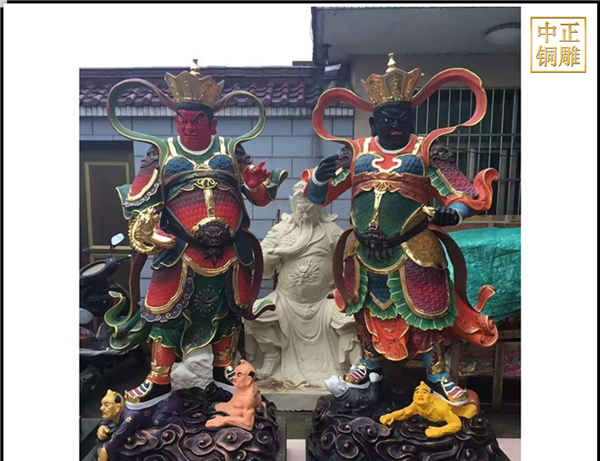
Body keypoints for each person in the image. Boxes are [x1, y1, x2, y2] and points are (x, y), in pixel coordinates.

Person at [303, 54, 499, 407]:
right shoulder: (356, 152)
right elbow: (319, 196)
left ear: (413, 119)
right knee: (366, 307)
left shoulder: (427, 150)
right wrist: (318, 176)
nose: (395, 124)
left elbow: (462, 193)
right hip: (363, 250)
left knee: (425, 311)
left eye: (403, 118)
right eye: (387, 118)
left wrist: (453, 214)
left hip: (415, 249)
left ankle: (437, 372)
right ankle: (368, 361)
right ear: (373, 121)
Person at [103, 61, 287, 404]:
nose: (189, 127)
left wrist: (253, 184)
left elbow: (260, 198)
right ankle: (159, 377)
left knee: (228, 312)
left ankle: (224, 368)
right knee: (166, 314)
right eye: (183, 120)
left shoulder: (232, 150)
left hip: (229, 252)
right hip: (180, 251)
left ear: (212, 123)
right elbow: (139, 200)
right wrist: (148, 228)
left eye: (197, 120)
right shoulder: (161, 152)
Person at [245, 182, 359, 388]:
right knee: (253, 313)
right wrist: (274, 254)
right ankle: (272, 354)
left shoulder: (332, 231)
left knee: (351, 319)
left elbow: (349, 264)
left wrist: (343, 290)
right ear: (293, 207)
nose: (306, 216)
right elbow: (263, 269)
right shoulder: (280, 231)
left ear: (319, 209)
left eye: (310, 211)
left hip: (324, 301)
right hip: (285, 301)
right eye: (301, 211)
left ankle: (354, 366)